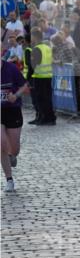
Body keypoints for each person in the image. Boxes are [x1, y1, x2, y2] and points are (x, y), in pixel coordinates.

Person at [1, 56, 30, 191]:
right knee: (1, 144)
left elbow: (24, 85)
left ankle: (12, 155)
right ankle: (9, 180)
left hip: (13, 110)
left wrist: (16, 95)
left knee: (14, 148)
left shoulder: (11, 68)